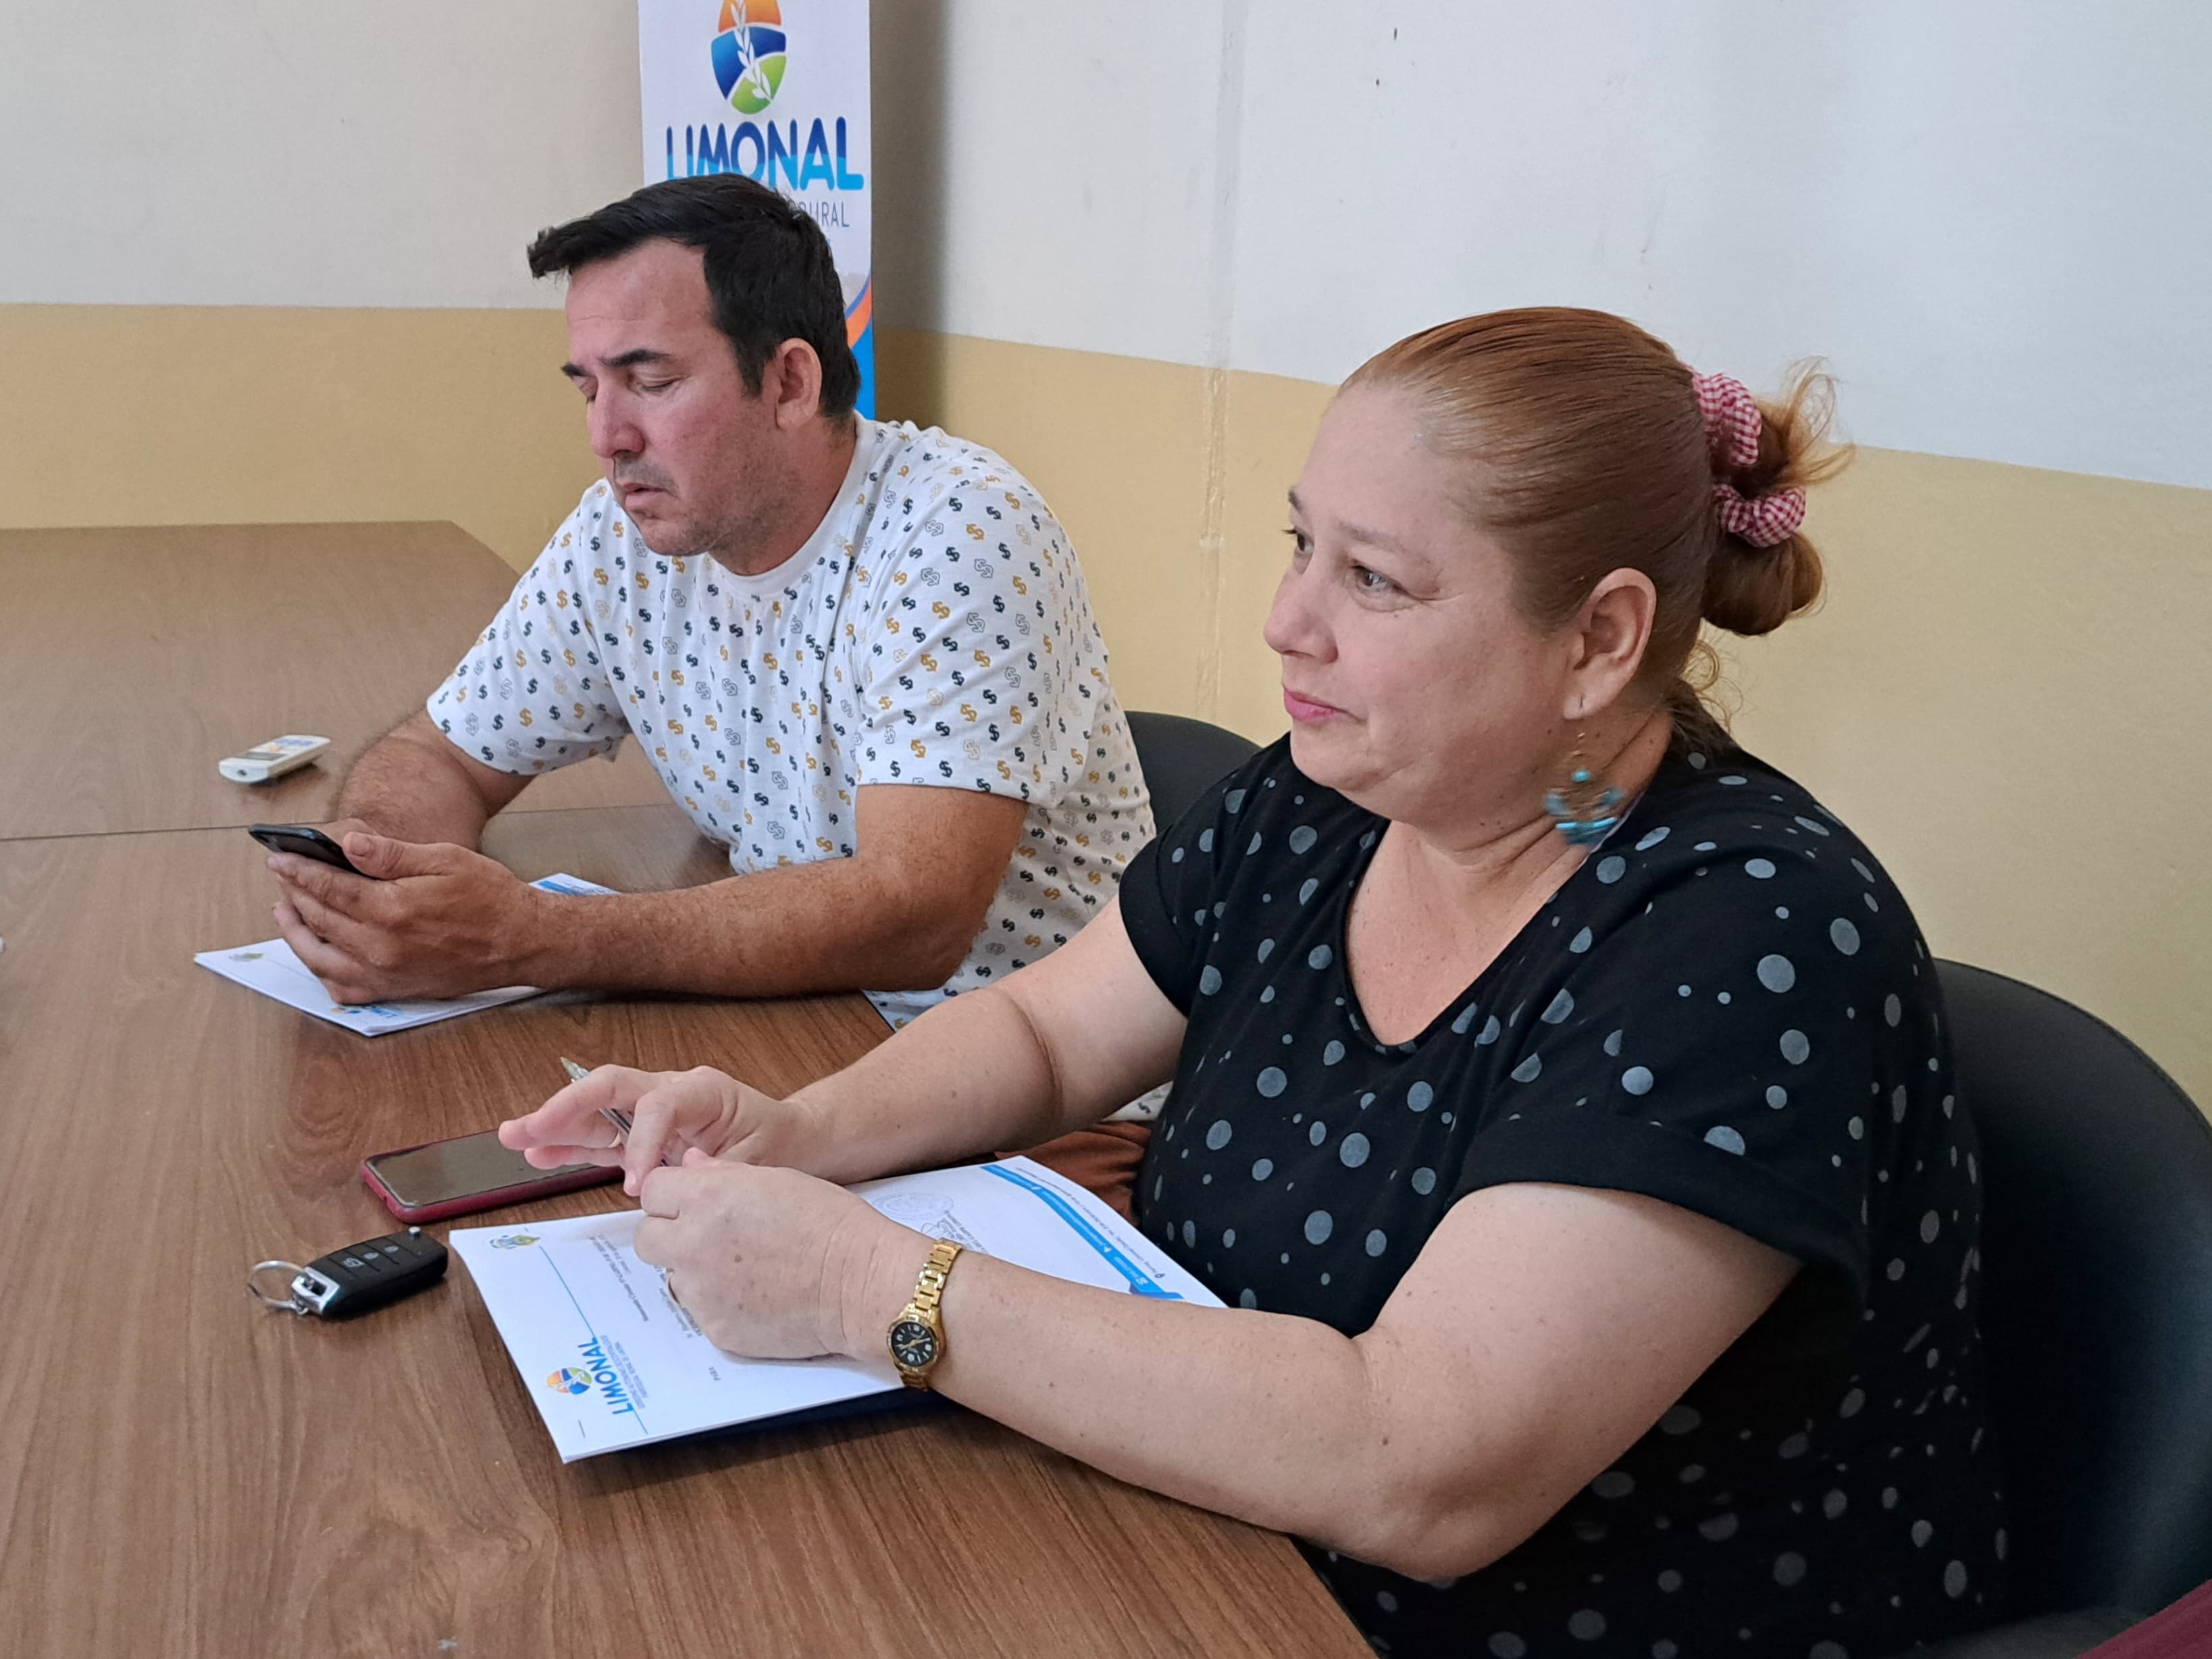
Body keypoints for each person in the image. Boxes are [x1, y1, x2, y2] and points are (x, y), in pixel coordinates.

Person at [503, 308, 2007, 1658]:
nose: (1290, 621)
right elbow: (1045, 1032)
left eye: (1375, 579)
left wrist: (866, 1286)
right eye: (1302, 545)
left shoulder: (1747, 937)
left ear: (1599, 639)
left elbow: (1426, 1463)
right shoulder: (1327, 796)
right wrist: (794, 1133)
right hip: (1219, 1538)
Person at [261, 174, 1152, 1040]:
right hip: (799, 1028)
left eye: (650, 383)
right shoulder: (623, 536)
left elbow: (915, 915)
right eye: (589, 389)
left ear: (790, 384)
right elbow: (442, 756)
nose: (608, 437)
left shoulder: (958, 532)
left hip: (1042, 1080)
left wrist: (528, 937)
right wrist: (375, 876)